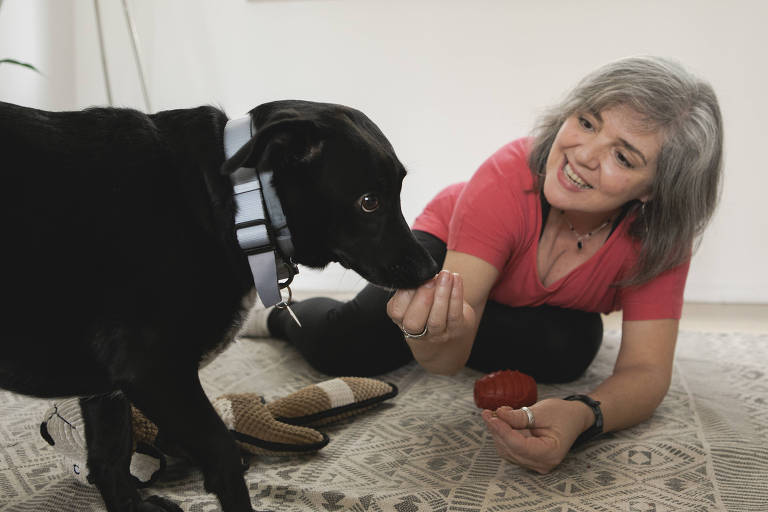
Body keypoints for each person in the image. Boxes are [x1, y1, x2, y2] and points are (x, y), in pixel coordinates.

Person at [241, 56, 723, 474]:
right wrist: (433, 333)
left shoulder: (659, 238)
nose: (583, 155)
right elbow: (445, 360)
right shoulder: (509, 176)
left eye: (623, 155)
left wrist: (584, 415)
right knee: (349, 344)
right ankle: (283, 317)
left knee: (572, 351)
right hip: (450, 242)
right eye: (588, 122)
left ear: (654, 190)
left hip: (521, 300)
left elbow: (646, 370)